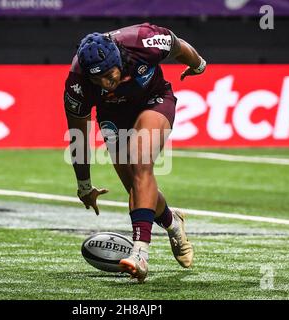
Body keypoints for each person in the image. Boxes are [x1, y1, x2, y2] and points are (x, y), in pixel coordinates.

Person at [63, 23, 206, 282]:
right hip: (113, 117)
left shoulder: (144, 40)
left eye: (109, 74)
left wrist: (198, 65)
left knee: (141, 163)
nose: (105, 83)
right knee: (136, 187)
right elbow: (79, 137)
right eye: (97, 79)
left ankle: (140, 253)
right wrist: (84, 185)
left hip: (155, 100)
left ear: (119, 59)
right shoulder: (77, 82)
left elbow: (178, 46)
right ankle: (173, 223)